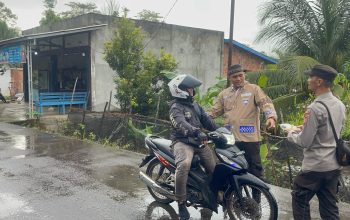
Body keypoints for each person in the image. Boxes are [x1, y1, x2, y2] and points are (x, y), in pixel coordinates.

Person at [286, 64, 346, 220]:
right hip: (333, 166)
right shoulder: (339, 105)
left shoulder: (315, 108)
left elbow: (305, 141)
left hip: (315, 167)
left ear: (319, 82)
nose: (308, 80)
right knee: (329, 209)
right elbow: (332, 131)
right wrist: (304, 127)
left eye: (310, 77)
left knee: (300, 201)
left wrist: (291, 133)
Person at [210, 64, 277, 185]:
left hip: (250, 138)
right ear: (230, 78)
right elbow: (213, 111)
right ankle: (235, 200)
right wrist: (197, 118)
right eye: (235, 76)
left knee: (255, 170)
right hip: (231, 139)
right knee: (232, 169)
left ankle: (257, 199)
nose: (239, 78)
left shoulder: (253, 89)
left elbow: (265, 103)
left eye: (241, 75)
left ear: (244, 75)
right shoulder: (224, 94)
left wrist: (271, 117)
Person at [168, 74, 218, 220]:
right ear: (180, 90)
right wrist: (196, 131)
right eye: (190, 89)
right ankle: (181, 203)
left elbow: (208, 121)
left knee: (214, 168)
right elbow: (180, 123)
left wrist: (222, 131)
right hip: (182, 142)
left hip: (199, 142)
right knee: (184, 165)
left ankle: (209, 195)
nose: (192, 91)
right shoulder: (175, 107)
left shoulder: (195, 106)